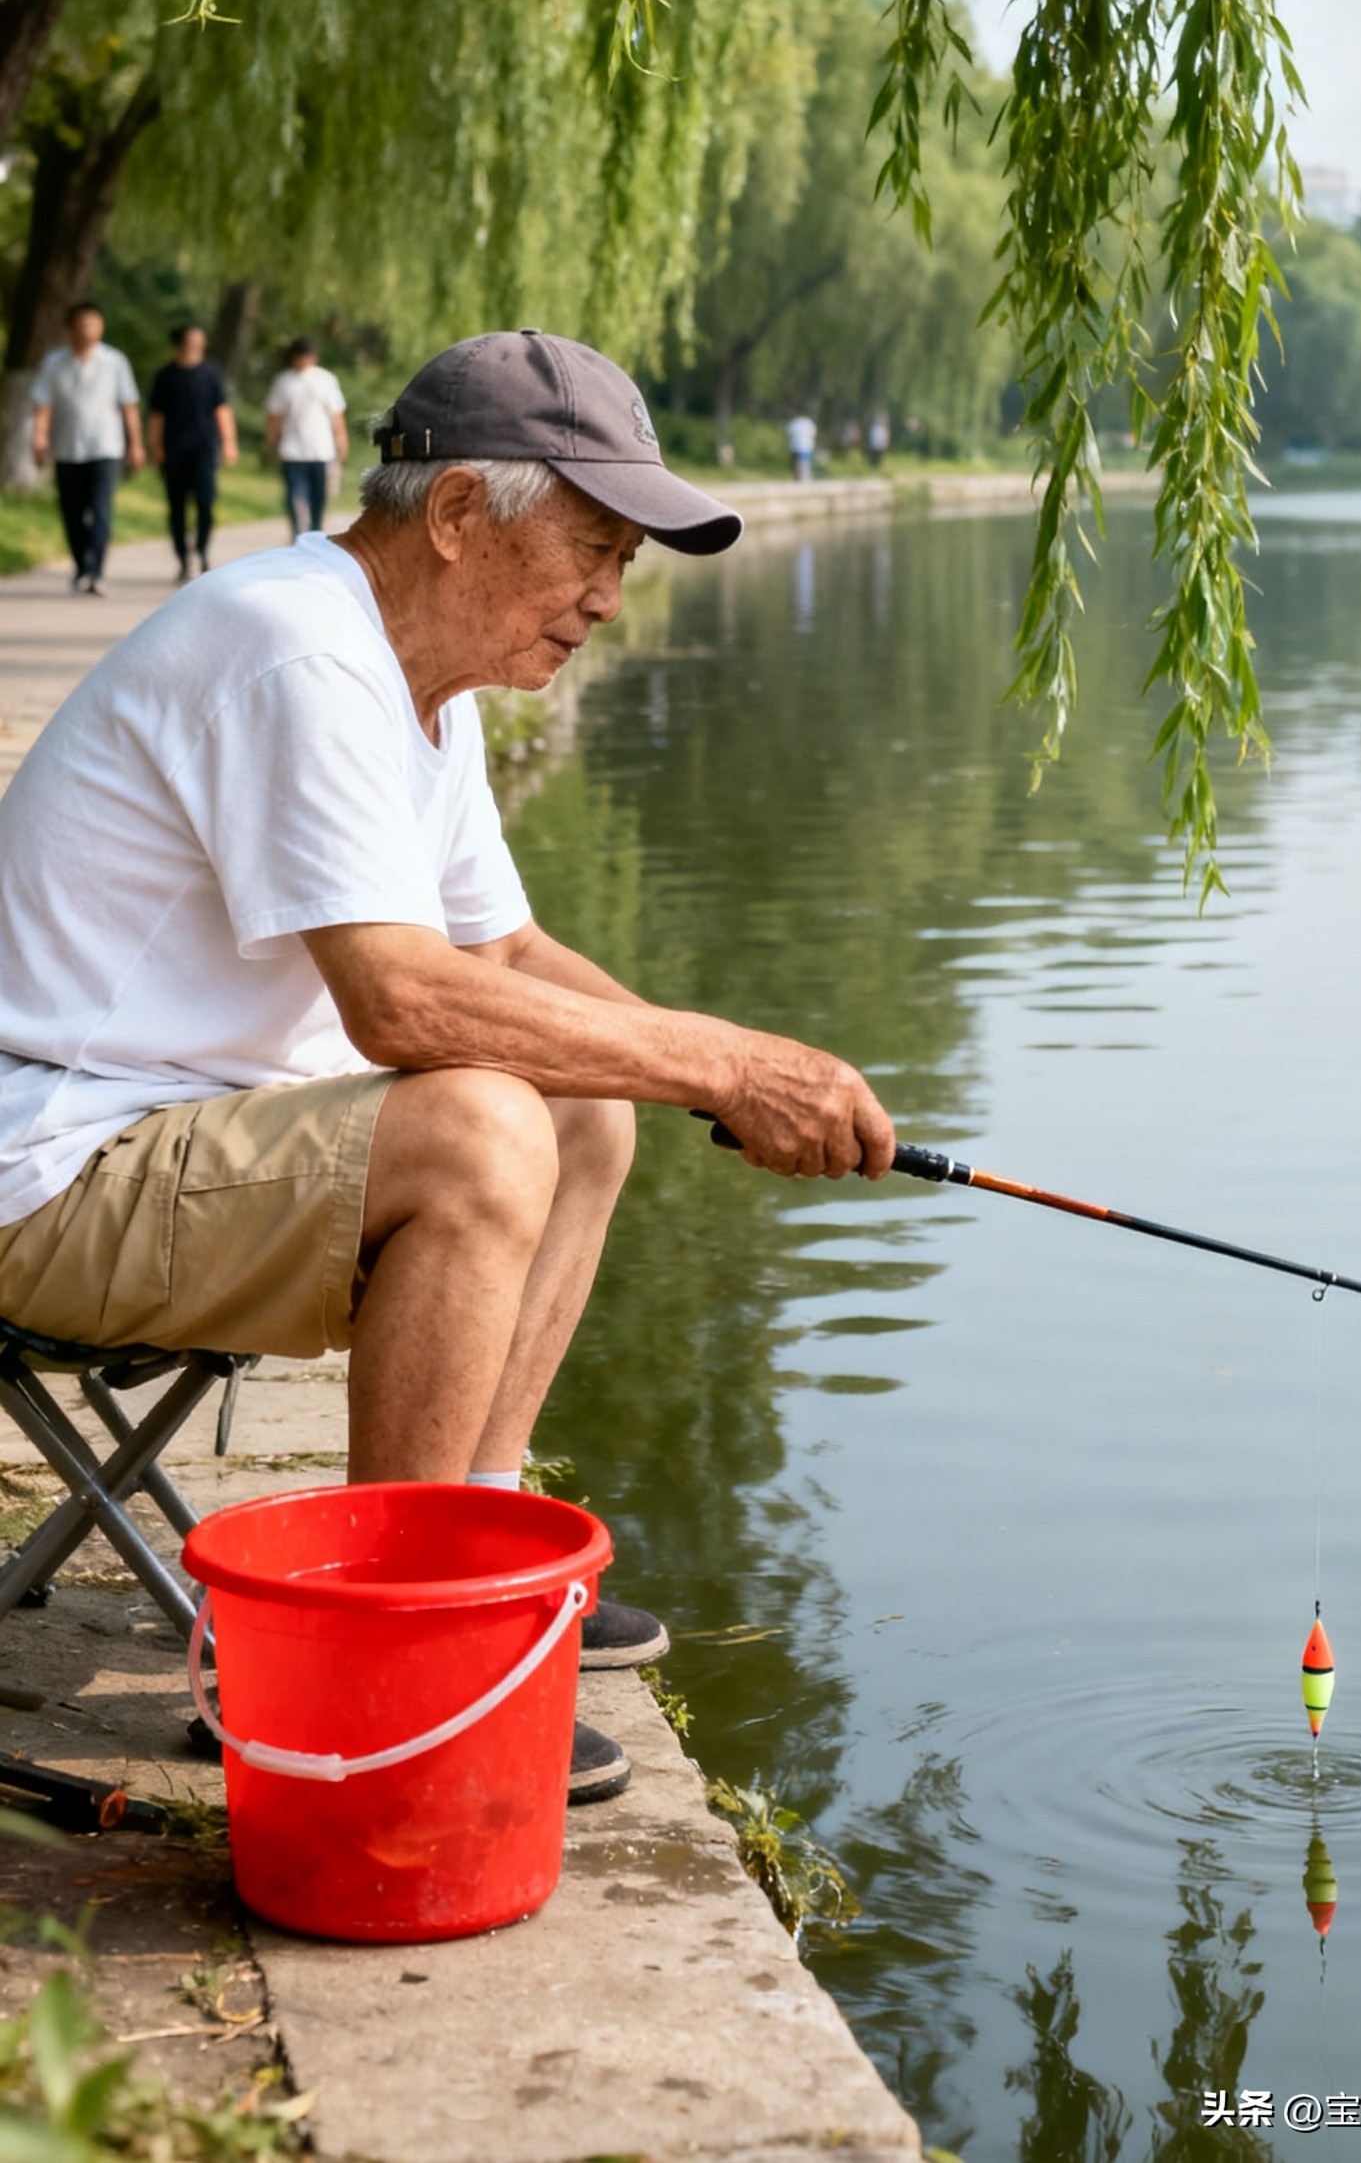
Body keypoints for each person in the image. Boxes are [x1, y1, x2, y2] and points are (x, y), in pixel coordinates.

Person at [0, 329, 894, 1805]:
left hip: (173, 1131)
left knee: (583, 1104)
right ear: (463, 516)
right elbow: (406, 1006)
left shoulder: (423, 676)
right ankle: (374, 1671)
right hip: (52, 1165)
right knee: (482, 1129)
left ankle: (475, 1552)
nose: (609, 597)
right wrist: (721, 1065)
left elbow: (511, 959)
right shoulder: (297, 647)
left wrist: (744, 1062)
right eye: (592, 549)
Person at [29, 303, 144, 594]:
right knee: (72, 511)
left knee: (101, 509)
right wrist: (39, 437)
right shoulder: (54, 362)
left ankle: (96, 572)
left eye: (94, 324)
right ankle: (81, 566)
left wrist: (136, 445)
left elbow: (128, 405)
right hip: (67, 447)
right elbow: (43, 404)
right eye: (82, 324)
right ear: (69, 328)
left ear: (102, 327)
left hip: (106, 446)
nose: (88, 330)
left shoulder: (115, 361)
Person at [146, 323, 239, 579]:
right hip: (174, 451)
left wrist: (229, 441)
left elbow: (221, 408)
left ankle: (201, 550)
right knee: (176, 506)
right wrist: (155, 448)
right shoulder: (166, 376)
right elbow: (157, 417)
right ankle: (183, 558)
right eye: (193, 337)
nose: (199, 341)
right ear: (180, 342)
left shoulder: (210, 372)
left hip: (204, 450)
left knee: (205, 502)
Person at [266, 336, 348, 538]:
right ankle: (298, 534)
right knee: (295, 496)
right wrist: (272, 440)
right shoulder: (284, 382)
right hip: (293, 450)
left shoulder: (326, 380)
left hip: (320, 449)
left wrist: (341, 440)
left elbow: (336, 416)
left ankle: (315, 533)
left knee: (318, 498)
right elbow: (275, 416)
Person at [785, 412, 817, 483]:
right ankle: (804, 477)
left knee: (798, 462)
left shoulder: (794, 423)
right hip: (806, 445)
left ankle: (798, 477)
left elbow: (789, 434)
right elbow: (812, 434)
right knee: (804, 462)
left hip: (796, 445)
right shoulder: (808, 422)